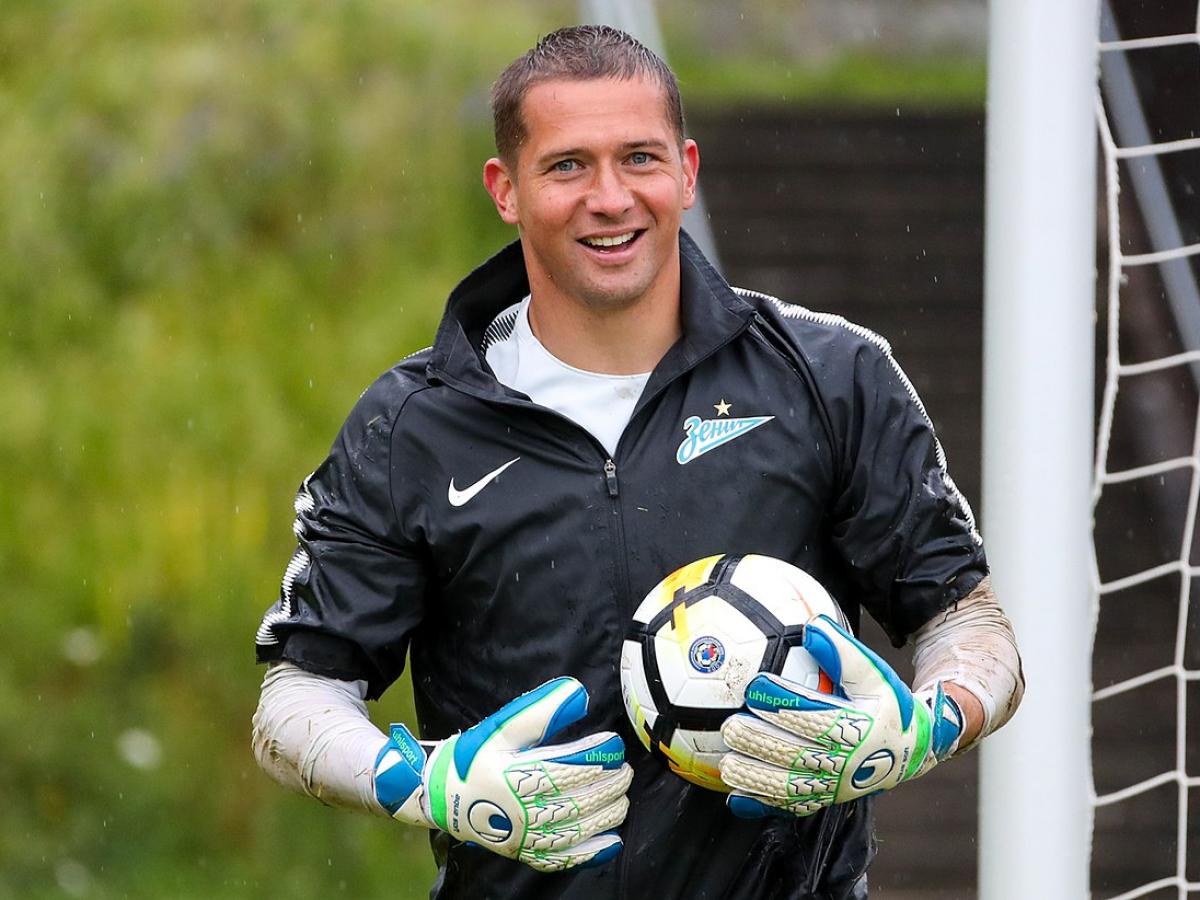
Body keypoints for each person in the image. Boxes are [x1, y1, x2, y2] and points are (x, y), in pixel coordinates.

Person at [252, 24, 1023, 900]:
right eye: (567, 166)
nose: (610, 198)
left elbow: (969, 624)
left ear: (687, 173)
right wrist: (424, 784)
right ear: (506, 190)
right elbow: (297, 698)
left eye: (640, 159)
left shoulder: (832, 376)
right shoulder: (411, 428)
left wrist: (922, 728)